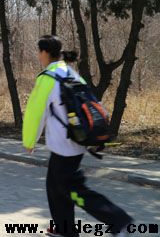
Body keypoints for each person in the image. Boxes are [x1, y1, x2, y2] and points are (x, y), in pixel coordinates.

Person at [23, 35, 133, 237]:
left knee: (73, 191)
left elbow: (35, 113)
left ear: (45, 52)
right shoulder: (71, 73)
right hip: (77, 141)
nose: (38, 56)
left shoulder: (47, 78)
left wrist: (29, 140)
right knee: (54, 186)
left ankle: (119, 220)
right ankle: (64, 229)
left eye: (39, 52)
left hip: (63, 146)